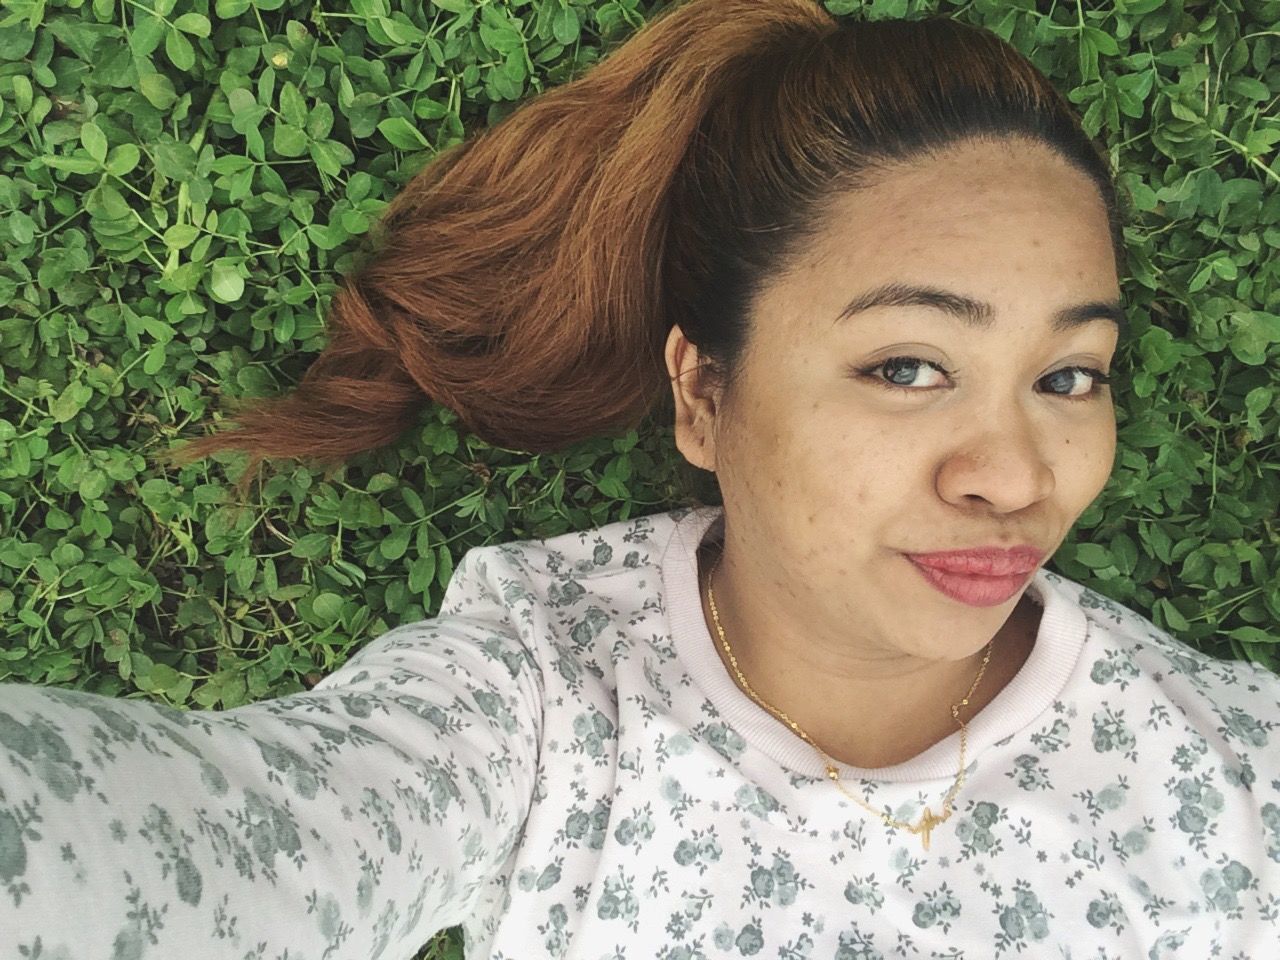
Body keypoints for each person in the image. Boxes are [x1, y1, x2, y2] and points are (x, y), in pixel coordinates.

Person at [3, 0, 1277, 956]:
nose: (1012, 476)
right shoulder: (542, 707)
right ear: (701, 396)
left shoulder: (1227, 776)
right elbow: (206, 847)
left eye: (1069, 376)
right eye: (904, 366)